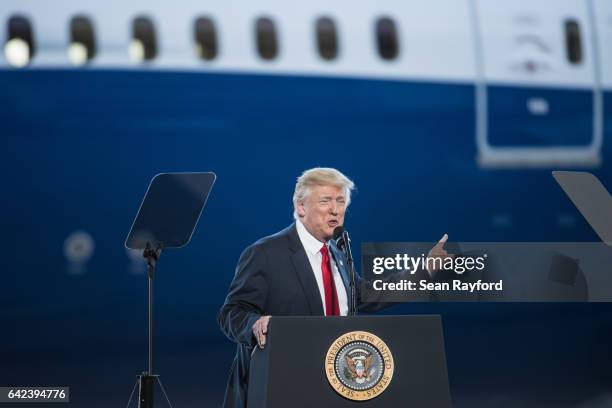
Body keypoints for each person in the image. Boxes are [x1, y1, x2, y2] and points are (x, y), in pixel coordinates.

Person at [217, 167, 449, 408]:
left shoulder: (338, 252)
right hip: (283, 385)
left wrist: (425, 271)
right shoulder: (265, 253)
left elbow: (365, 295)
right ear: (300, 206)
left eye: (340, 201)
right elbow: (231, 313)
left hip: (331, 384)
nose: (335, 210)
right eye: (326, 201)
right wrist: (254, 324)